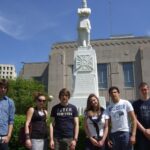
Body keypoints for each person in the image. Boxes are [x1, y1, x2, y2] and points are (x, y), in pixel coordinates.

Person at [132, 82, 150, 150]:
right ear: (139, 91)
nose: (144, 91)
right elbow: (134, 119)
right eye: (142, 90)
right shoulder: (135, 104)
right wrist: (144, 131)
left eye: (145, 89)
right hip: (140, 134)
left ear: (148, 89)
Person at [0, 79, 15, 150]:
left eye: (5, 88)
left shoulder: (10, 102)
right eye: (1, 87)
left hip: (3, 137)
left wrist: (8, 136)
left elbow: (11, 121)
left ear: (7, 89)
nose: (3, 89)